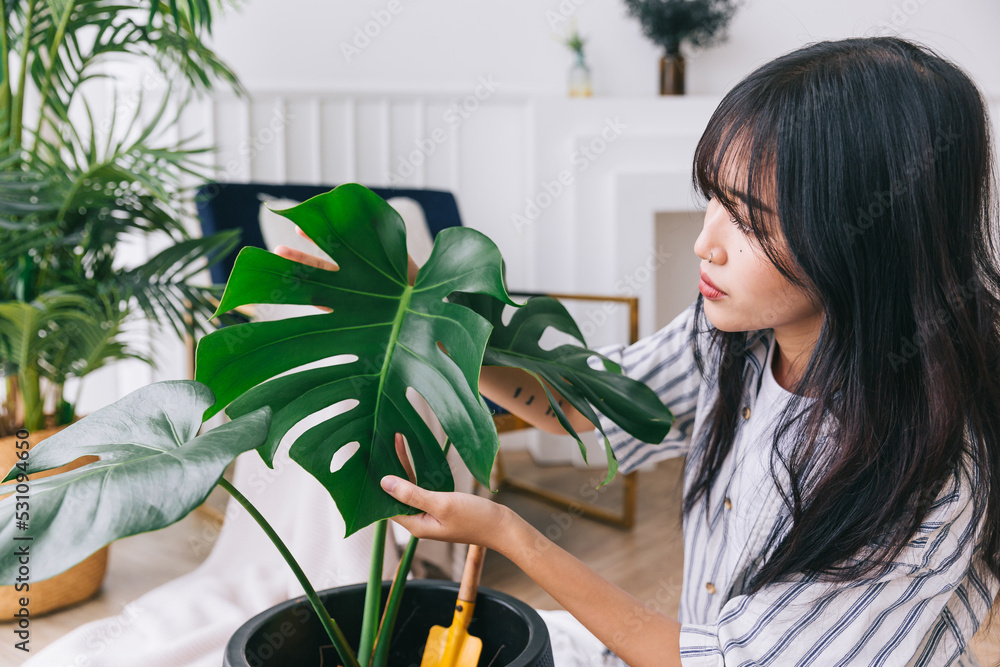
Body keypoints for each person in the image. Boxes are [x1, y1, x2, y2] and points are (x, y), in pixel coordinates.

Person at [281, 37, 1000, 665]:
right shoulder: (736, 338)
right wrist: (417, 308)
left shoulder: (923, 471)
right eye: (712, 198)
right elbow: (588, 404)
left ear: (865, 239)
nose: (704, 243)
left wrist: (513, 536)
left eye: (748, 222)